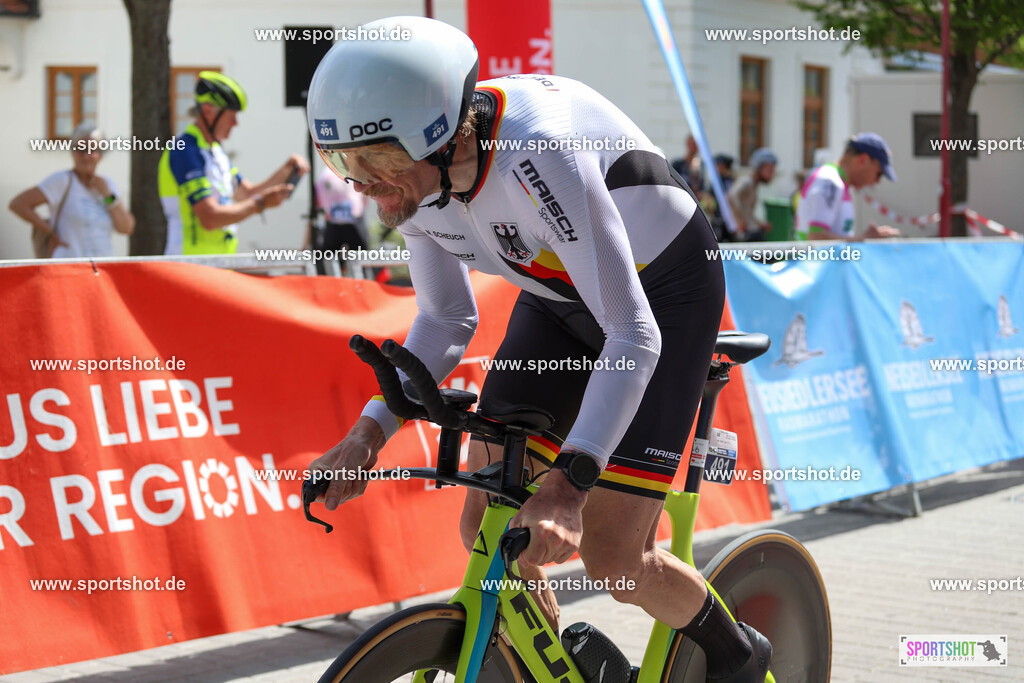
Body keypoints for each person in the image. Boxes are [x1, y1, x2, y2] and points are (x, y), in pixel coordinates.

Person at [305, 16, 771, 683]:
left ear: (441, 135)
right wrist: (367, 434)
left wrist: (567, 486)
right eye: (345, 165)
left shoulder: (540, 150)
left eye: (376, 164)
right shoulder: (420, 183)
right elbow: (444, 318)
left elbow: (634, 333)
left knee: (614, 557)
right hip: (560, 299)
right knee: (489, 527)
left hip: (660, 299)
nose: (364, 187)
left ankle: (740, 653)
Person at [158, 71, 310, 255]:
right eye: (231, 116)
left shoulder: (215, 152)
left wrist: (286, 170)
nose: (235, 123)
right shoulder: (185, 150)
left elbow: (247, 194)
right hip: (189, 268)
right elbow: (209, 218)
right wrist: (260, 204)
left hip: (218, 266)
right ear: (208, 111)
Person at [9, 123, 135, 258]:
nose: (86, 156)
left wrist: (107, 195)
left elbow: (126, 228)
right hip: (68, 267)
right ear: (72, 153)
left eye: (92, 150)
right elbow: (18, 204)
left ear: (101, 154)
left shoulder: (107, 185)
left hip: (101, 270)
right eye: (80, 150)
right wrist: (49, 232)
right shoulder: (61, 181)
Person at [794, 133, 900, 241]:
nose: (877, 182)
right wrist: (864, 239)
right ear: (862, 160)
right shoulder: (831, 181)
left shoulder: (836, 181)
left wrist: (863, 239)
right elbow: (816, 238)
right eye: (879, 174)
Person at [311, 166, 369, 275]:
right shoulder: (352, 172)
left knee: (328, 260)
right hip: (354, 219)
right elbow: (365, 196)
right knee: (361, 260)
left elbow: (318, 202)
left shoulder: (324, 176)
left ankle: (328, 284)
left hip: (333, 221)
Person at [728, 148, 776, 242]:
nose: (772, 174)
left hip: (752, 232)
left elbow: (747, 211)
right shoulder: (747, 182)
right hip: (746, 235)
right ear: (759, 168)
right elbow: (730, 196)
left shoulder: (754, 185)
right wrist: (738, 221)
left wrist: (759, 224)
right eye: (769, 170)